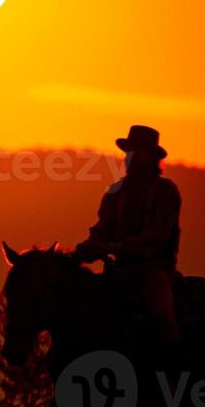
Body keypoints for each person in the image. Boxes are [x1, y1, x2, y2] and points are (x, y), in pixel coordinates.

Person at [76, 124, 182, 361]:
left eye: (135, 152)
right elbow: (103, 228)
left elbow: (158, 235)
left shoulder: (165, 191)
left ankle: (173, 366)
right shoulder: (115, 192)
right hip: (119, 272)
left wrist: (114, 248)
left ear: (150, 157)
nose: (128, 158)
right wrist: (88, 247)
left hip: (155, 271)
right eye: (128, 152)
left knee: (162, 316)